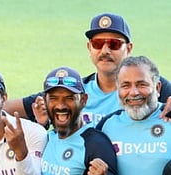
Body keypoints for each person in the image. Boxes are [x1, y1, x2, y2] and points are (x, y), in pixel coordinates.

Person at [9, 13, 171, 126]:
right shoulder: (73, 90)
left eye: (114, 44)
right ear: (89, 48)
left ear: (128, 48)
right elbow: (8, 108)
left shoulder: (149, 86)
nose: (105, 51)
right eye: (98, 44)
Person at [38, 66, 120, 175]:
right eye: (53, 98)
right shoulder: (46, 136)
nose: (60, 105)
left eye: (69, 98)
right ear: (45, 101)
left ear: (83, 100)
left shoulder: (96, 144)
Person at [97, 56, 171, 175]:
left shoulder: (169, 119)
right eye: (125, 85)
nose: (134, 92)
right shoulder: (107, 126)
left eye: (142, 84)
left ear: (158, 87)